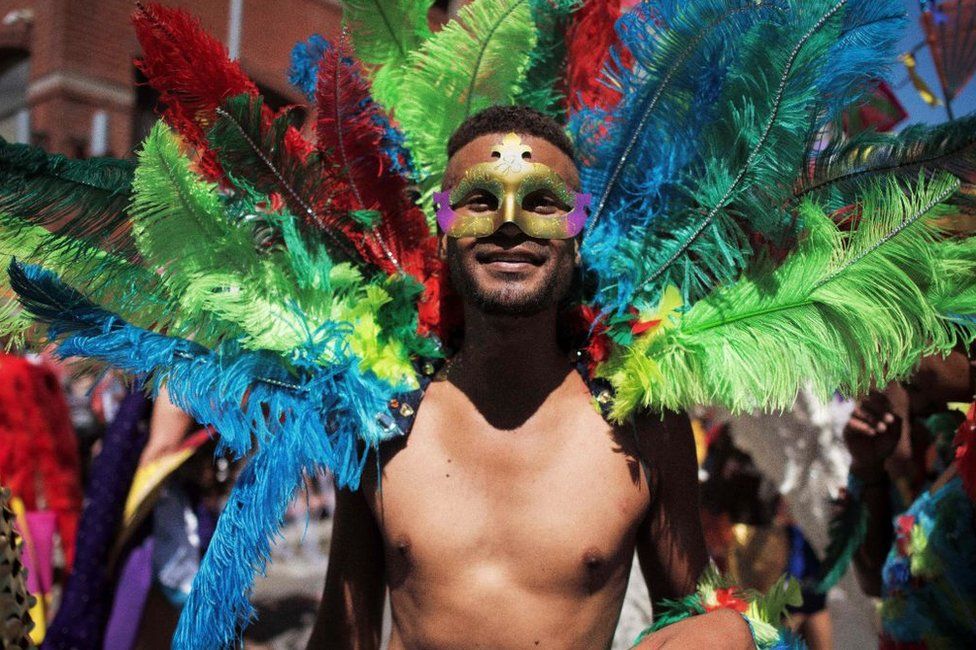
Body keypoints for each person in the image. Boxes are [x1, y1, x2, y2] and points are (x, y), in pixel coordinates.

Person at [306, 107, 754, 649]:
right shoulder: (380, 419)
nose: (510, 223)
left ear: (578, 233)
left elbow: (696, 624)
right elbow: (341, 635)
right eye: (481, 200)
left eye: (542, 201)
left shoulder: (643, 427)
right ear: (444, 230)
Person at [844, 350, 976, 647]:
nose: (888, 368)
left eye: (917, 335)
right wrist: (870, 470)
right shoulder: (938, 435)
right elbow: (873, 580)